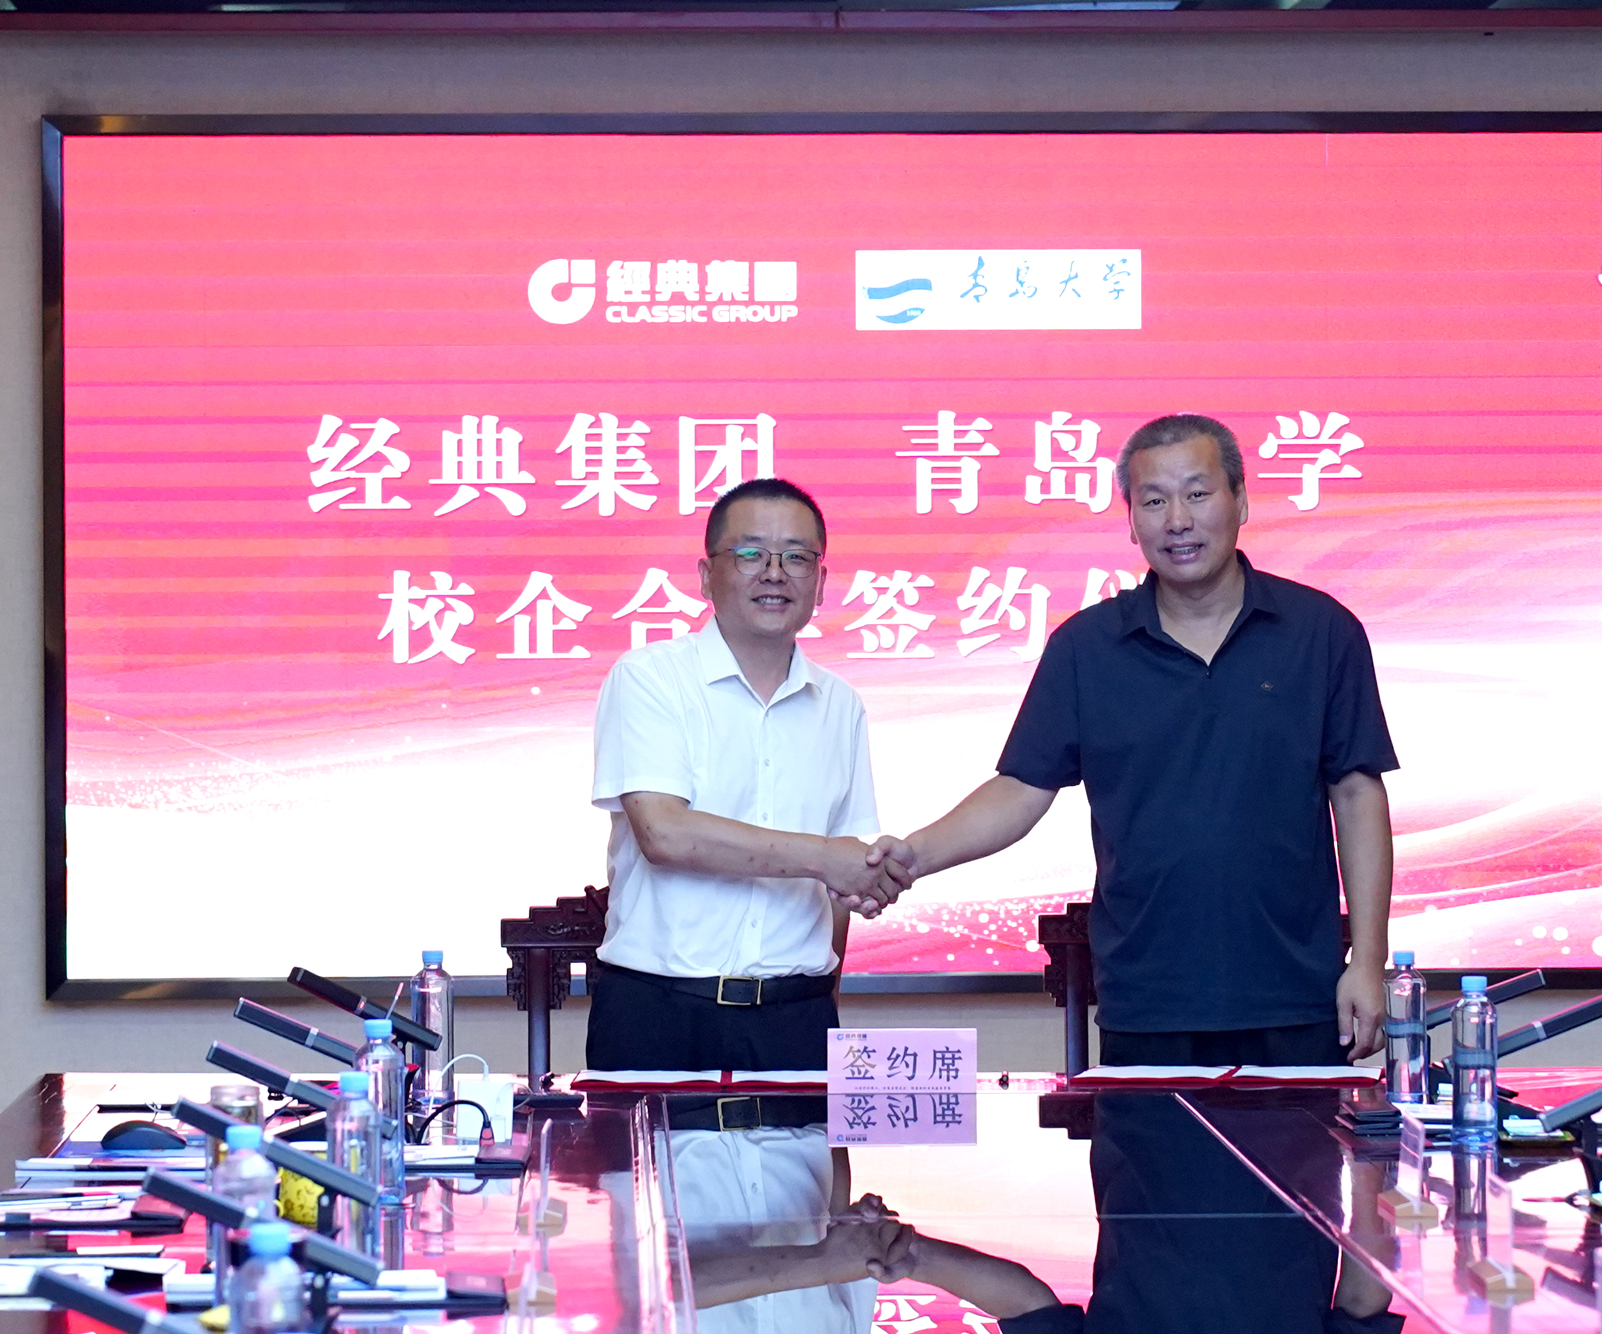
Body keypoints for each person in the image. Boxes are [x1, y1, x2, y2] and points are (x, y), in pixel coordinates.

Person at [865, 414, 1398, 1067]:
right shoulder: (1087, 648)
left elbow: (1357, 795)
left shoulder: (1321, 632)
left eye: (1198, 493)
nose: (1178, 520)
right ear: (1130, 521)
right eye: (1154, 501)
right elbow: (1021, 790)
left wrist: (1367, 961)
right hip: (1147, 999)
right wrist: (912, 856)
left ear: (1241, 501)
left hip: (1296, 995)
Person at [586, 477, 907, 1072]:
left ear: (820, 582)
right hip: (659, 1013)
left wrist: (826, 1001)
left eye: (797, 558)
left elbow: (841, 885)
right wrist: (824, 857)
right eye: (751, 553)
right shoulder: (650, 678)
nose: (775, 574)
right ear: (706, 575)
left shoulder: (840, 705)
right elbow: (665, 834)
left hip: (797, 1016)